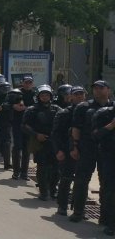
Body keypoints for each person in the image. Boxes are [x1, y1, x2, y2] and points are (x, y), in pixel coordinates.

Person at [69, 80, 113, 222]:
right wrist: (75, 146)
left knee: (106, 182)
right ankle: (78, 212)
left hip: (107, 150)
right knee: (82, 179)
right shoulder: (83, 107)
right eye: (95, 88)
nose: (98, 91)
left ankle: (105, 217)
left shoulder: (112, 107)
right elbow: (76, 128)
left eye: (101, 88)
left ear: (108, 90)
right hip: (87, 148)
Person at [23, 85, 61, 200]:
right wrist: (36, 135)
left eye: (47, 95)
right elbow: (24, 125)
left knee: (56, 168)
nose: (45, 97)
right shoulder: (32, 109)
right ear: (38, 97)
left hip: (54, 143)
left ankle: (53, 189)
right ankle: (44, 191)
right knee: (42, 167)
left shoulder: (57, 109)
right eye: (42, 95)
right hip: (40, 142)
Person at [52, 86, 86, 215]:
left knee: (81, 180)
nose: (79, 96)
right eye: (76, 94)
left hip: (84, 151)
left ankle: (78, 208)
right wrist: (58, 151)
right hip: (66, 151)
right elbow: (55, 134)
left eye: (81, 94)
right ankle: (62, 206)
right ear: (70, 97)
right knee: (66, 179)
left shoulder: (88, 111)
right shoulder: (64, 113)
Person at [92, 100, 115, 236]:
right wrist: (111, 126)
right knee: (110, 190)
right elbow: (95, 136)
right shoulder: (103, 113)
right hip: (109, 158)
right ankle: (110, 222)